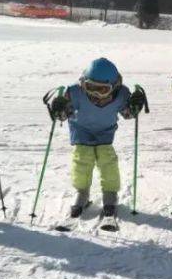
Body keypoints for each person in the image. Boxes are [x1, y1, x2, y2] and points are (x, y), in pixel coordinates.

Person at [48, 58, 147, 221]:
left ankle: (110, 194)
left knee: (107, 161)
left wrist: (135, 106)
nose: (95, 94)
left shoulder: (121, 95)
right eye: (90, 88)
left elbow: (128, 114)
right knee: (82, 160)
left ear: (114, 86)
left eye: (102, 89)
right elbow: (63, 115)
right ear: (83, 83)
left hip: (105, 132)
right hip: (81, 131)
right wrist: (58, 109)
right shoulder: (75, 93)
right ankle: (82, 193)